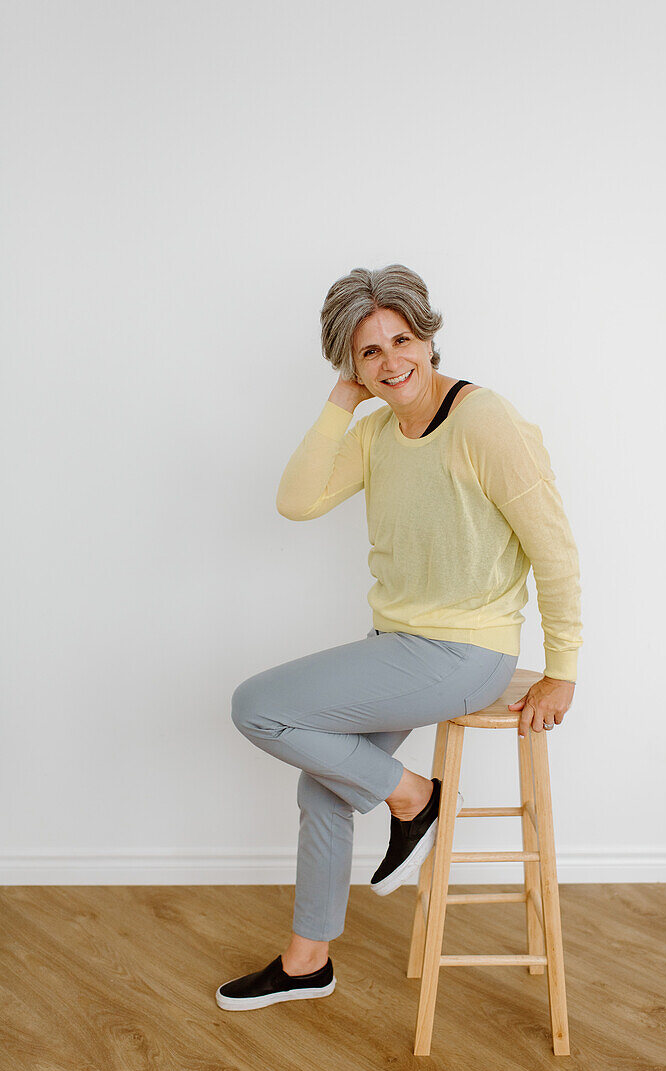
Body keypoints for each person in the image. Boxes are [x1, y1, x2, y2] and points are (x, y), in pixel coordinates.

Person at [215, 263, 582, 1012]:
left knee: (258, 705)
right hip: (400, 646)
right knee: (323, 787)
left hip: (468, 655)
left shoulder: (486, 422)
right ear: (350, 367)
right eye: (369, 353)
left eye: (402, 340)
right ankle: (306, 961)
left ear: (430, 337)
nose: (391, 363)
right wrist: (338, 407)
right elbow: (295, 501)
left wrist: (563, 666)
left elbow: (555, 547)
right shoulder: (377, 430)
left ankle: (415, 796)